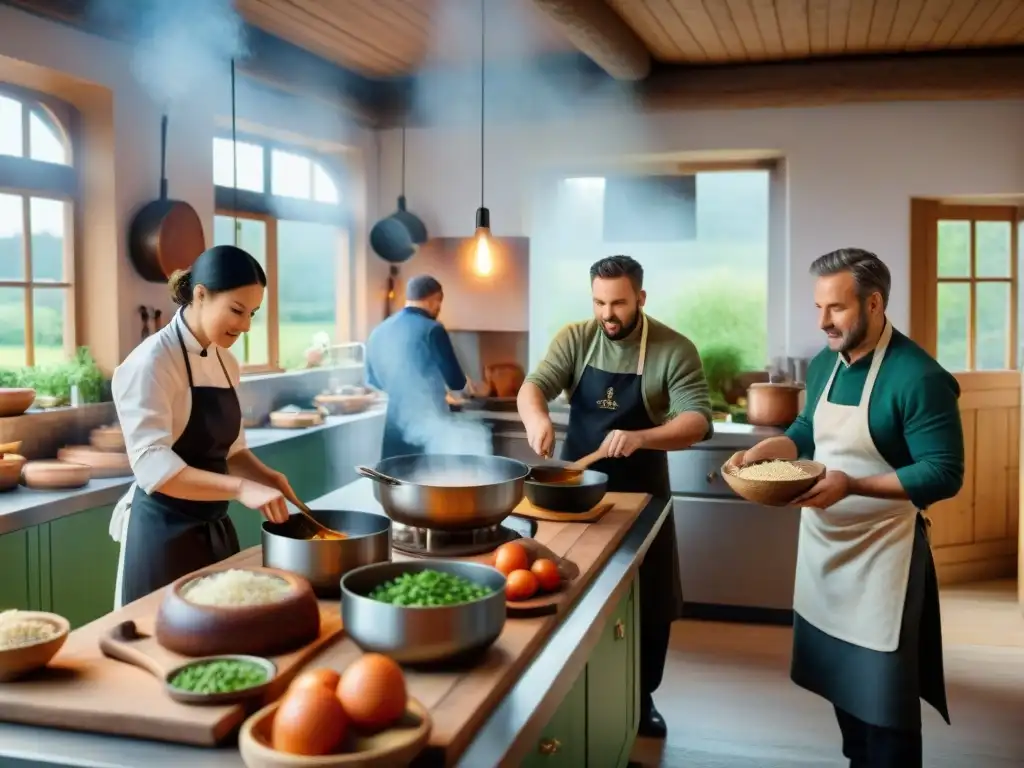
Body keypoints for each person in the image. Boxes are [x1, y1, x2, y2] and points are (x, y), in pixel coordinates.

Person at [727, 248, 962, 767]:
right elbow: (809, 431)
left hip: (884, 560)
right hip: (824, 552)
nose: (823, 321)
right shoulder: (824, 364)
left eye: (835, 308)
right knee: (845, 695)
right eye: (818, 308)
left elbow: (944, 472)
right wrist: (772, 449)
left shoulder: (918, 377)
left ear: (874, 303)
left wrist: (852, 484)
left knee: (887, 709)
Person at [517, 255, 712, 739]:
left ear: (641, 299)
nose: (608, 313)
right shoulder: (575, 338)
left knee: (650, 601)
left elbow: (698, 420)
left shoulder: (673, 348)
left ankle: (643, 698)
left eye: (619, 303)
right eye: (599, 302)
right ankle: (566, 690)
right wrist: (537, 419)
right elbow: (532, 387)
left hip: (642, 497)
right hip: (575, 498)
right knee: (568, 589)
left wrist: (643, 436)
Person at [110, 245, 300, 608]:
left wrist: (266, 477)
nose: (245, 326)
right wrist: (241, 488)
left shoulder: (226, 361)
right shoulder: (151, 362)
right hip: (161, 536)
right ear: (201, 295)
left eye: (253, 314)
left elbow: (230, 452)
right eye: (237, 310)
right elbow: (153, 466)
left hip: (213, 528)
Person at [365, 274, 475, 459]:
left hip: (391, 429)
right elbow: (455, 382)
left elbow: (372, 382)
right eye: (439, 302)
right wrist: (468, 388)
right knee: (431, 481)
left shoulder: (378, 331)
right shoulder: (433, 329)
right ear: (435, 299)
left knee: (395, 481)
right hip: (429, 427)